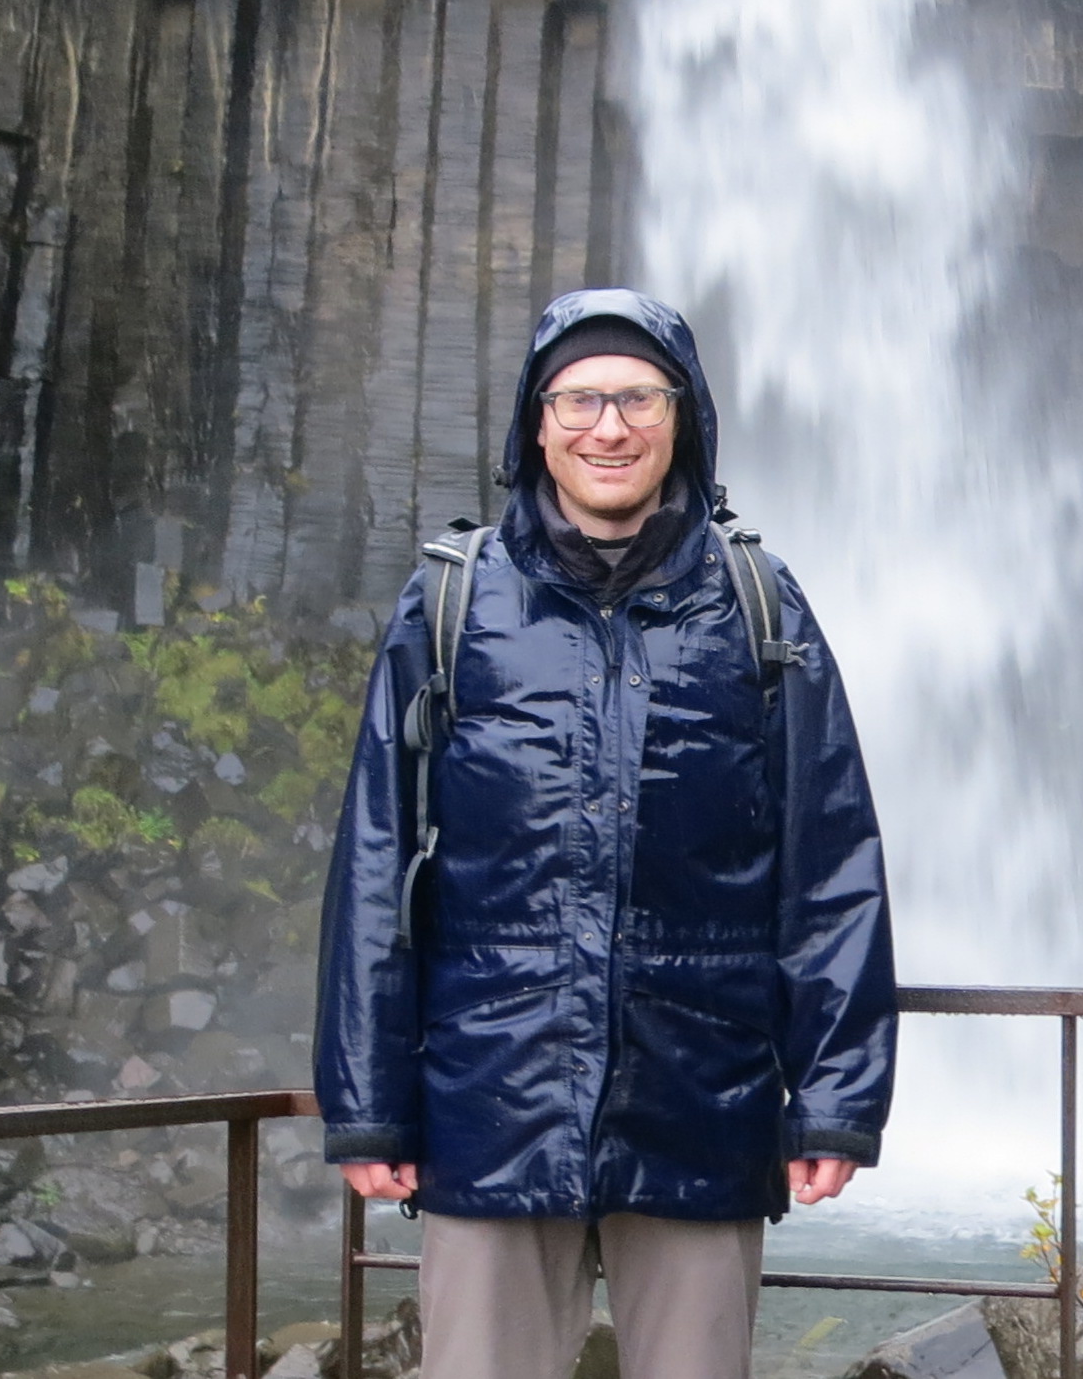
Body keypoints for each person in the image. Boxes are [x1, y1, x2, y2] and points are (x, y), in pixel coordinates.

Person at [314, 289, 900, 1379]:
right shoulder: (449, 603)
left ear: (683, 418)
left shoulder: (758, 602)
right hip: (493, 1102)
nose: (609, 427)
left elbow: (829, 861)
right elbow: (375, 860)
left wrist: (835, 1099)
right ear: (536, 424)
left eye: (638, 397)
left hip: (699, 1099)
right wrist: (368, 1107)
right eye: (578, 400)